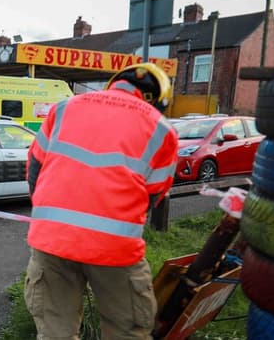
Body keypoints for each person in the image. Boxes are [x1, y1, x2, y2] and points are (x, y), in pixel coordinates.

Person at [23, 63, 178, 339]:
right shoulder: (161, 129)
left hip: (51, 241)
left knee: (54, 333)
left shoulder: (64, 108)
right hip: (114, 249)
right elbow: (153, 196)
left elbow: (34, 169)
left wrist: (52, 216)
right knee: (127, 330)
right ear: (159, 100)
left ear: (114, 83)